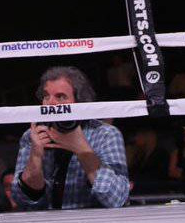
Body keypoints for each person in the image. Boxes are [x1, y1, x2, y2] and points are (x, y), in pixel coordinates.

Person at [12, 66, 130, 210]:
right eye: (46, 96)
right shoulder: (33, 135)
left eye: (60, 97)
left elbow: (116, 199)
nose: (51, 104)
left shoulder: (105, 135)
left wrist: (81, 148)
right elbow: (22, 200)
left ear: (79, 101)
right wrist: (35, 157)